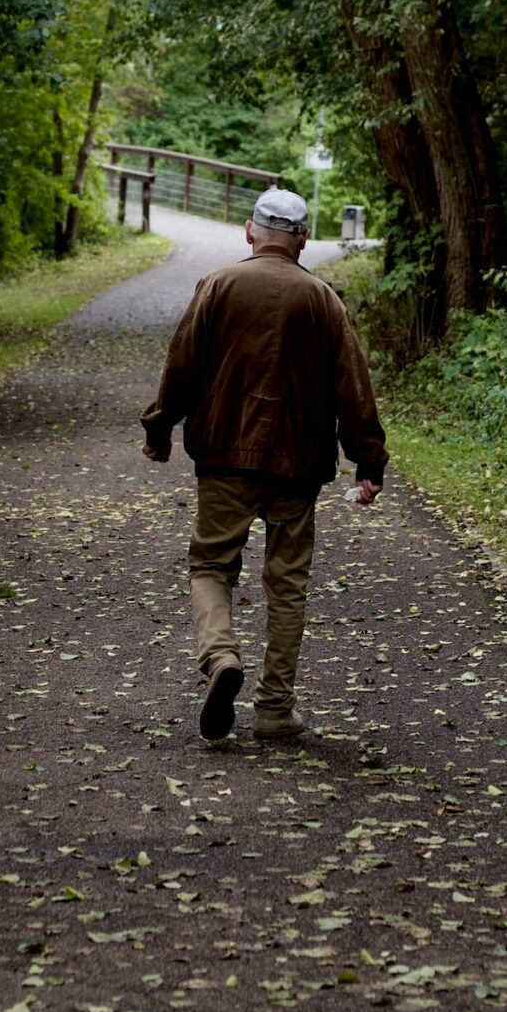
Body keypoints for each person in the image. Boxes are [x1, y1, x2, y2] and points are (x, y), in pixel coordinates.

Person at [142, 187, 386, 741]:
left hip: (225, 457)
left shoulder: (219, 285)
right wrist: (368, 462)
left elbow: (181, 365)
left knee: (210, 566)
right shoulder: (324, 299)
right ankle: (274, 709)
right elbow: (353, 388)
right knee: (287, 583)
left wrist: (160, 428)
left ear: (250, 232)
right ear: (302, 239)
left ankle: (222, 655)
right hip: (298, 466)